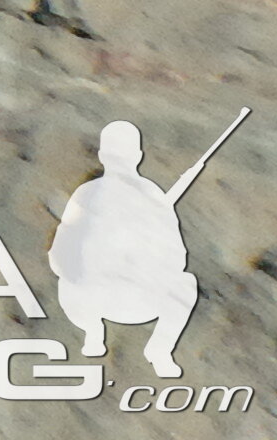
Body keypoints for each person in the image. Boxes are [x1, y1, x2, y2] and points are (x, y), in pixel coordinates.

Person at [50, 119, 203, 378]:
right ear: (137, 156)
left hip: (94, 300)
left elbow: (59, 254)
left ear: (101, 156)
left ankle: (94, 332)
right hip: (139, 301)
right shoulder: (152, 196)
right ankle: (159, 348)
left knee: (66, 281)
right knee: (185, 284)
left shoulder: (86, 193)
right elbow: (178, 259)